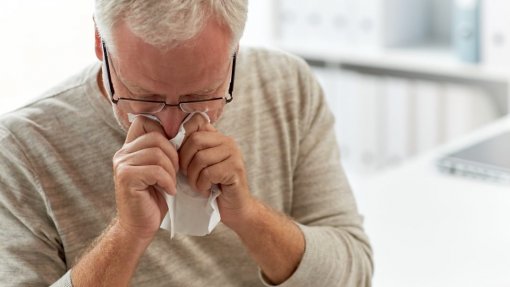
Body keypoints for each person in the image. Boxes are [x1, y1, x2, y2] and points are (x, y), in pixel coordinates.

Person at [0, 1, 373, 286]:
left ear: (236, 49)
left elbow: (354, 272)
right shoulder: (21, 147)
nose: (172, 124)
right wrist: (126, 235)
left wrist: (248, 216)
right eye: (144, 96)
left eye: (201, 96)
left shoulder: (286, 86)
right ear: (100, 42)